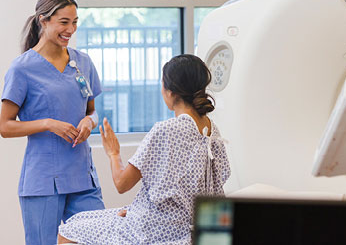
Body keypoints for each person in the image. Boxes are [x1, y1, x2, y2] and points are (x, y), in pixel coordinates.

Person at [58, 54, 231, 244]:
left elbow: (122, 184)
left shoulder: (166, 130)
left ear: (170, 91)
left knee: (70, 230)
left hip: (154, 229)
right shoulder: (212, 131)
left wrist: (113, 153)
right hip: (193, 229)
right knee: (90, 218)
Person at [0, 0, 104, 245]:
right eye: (64, 22)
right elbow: (5, 126)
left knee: (98, 237)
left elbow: (92, 111)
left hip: (82, 174)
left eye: (75, 22)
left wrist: (90, 122)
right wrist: (47, 123)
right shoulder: (22, 68)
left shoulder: (83, 63)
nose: (71, 29)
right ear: (43, 21)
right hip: (43, 179)